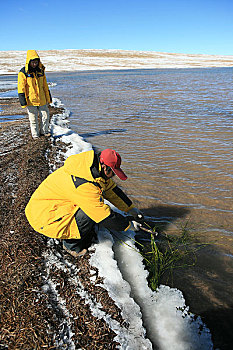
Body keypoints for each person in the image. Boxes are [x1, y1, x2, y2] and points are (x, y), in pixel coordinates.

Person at [25, 149, 144, 257]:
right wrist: (129, 225)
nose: (113, 175)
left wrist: (130, 208)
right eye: (112, 172)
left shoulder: (91, 170)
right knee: (90, 212)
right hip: (43, 218)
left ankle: (77, 230)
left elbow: (111, 190)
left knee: (93, 207)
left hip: (53, 206)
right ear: (103, 166)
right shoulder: (83, 184)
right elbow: (104, 216)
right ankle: (71, 245)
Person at [18, 50, 52, 139]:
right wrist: (23, 101)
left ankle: (44, 131)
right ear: (29, 62)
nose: (34, 64)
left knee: (45, 116)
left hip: (42, 99)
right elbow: (21, 87)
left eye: (36, 62)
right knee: (33, 119)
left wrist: (49, 98)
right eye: (33, 62)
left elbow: (45, 86)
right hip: (31, 100)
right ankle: (35, 135)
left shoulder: (41, 71)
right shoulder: (23, 72)